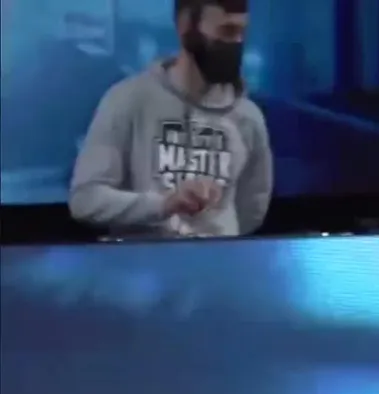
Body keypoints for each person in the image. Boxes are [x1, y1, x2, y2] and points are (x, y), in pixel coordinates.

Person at [69, 0, 272, 238]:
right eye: (226, 31)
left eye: (241, 33)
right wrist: (163, 205)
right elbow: (86, 199)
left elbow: (252, 212)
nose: (236, 43)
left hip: (220, 259)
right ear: (185, 26)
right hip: (145, 260)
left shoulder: (249, 118)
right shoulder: (128, 100)